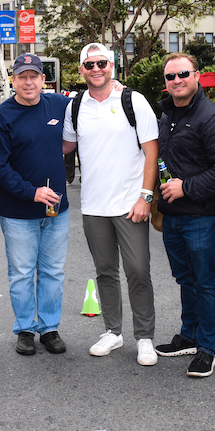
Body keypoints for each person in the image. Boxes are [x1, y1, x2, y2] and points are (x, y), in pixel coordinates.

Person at [62, 43, 160, 366]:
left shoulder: (133, 101)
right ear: (81, 71)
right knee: (105, 272)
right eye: (89, 65)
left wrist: (146, 195)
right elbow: (65, 144)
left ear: (112, 65)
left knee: (137, 271)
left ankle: (144, 337)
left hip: (130, 204)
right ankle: (113, 331)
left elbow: (151, 150)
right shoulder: (75, 106)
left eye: (101, 63)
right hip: (93, 207)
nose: (96, 69)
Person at [153, 52, 215, 377]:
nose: (177, 81)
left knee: (205, 282)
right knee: (184, 278)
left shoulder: (211, 117)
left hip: (201, 215)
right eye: (171, 76)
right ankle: (188, 336)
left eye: (183, 74)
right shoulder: (166, 116)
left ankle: (206, 349)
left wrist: (186, 187)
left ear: (197, 75)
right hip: (172, 215)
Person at [0, 53, 71, 356]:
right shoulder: (2, 116)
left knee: (53, 272)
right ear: (13, 80)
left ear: (42, 80)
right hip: (19, 212)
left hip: (56, 211)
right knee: (21, 272)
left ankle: (49, 328)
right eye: (22, 76)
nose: (28, 82)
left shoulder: (59, 105)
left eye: (33, 76)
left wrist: (114, 85)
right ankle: (25, 327)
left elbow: (93, 104)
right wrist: (31, 192)